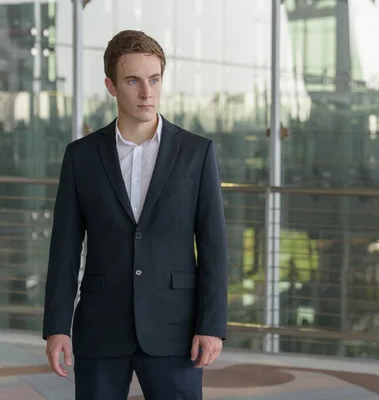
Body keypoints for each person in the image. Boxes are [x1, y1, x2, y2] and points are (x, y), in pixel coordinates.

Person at [42, 30, 228, 400]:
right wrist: (57, 326)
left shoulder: (197, 153)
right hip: (101, 326)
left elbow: (213, 245)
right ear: (111, 86)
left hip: (176, 329)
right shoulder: (80, 156)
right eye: (133, 81)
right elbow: (64, 247)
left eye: (154, 79)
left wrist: (211, 325)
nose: (147, 92)